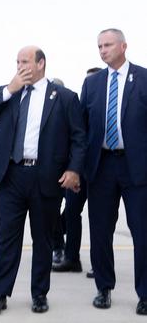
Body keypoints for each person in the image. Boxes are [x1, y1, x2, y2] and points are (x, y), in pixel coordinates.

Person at [0, 46, 86, 314]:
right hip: (12, 175)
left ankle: (39, 293)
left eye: (25, 61)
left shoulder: (64, 97)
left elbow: (79, 138)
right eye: (17, 61)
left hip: (46, 176)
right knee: (7, 237)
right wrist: (8, 90)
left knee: (43, 239)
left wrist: (74, 170)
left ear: (41, 64)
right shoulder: (10, 93)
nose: (20, 66)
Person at [80, 29, 147, 315]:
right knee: (100, 230)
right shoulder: (92, 83)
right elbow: (81, 128)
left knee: (142, 232)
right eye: (99, 46)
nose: (102, 50)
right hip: (102, 166)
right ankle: (104, 288)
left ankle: (145, 294)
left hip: (137, 168)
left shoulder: (144, 78)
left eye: (107, 45)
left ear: (123, 46)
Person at [52, 68, 101, 277]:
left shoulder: (105, 109)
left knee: (99, 218)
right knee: (71, 212)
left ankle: (100, 264)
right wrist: (74, 170)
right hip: (79, 171)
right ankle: (72, 258)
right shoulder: (79, 110)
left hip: (101, 171)